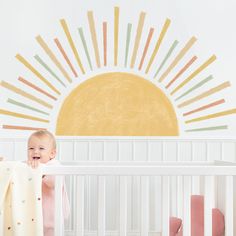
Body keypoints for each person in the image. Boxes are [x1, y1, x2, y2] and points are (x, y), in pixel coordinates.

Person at [27, 130, 70, 236]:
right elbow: (17, 169)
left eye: (41, 148)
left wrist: (39, 171)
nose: (35, 151)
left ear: (52, 153)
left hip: (52, 217)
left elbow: (53, 182)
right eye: (31, 148)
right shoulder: (28, 165)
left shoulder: (55, 166)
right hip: (33, 216)